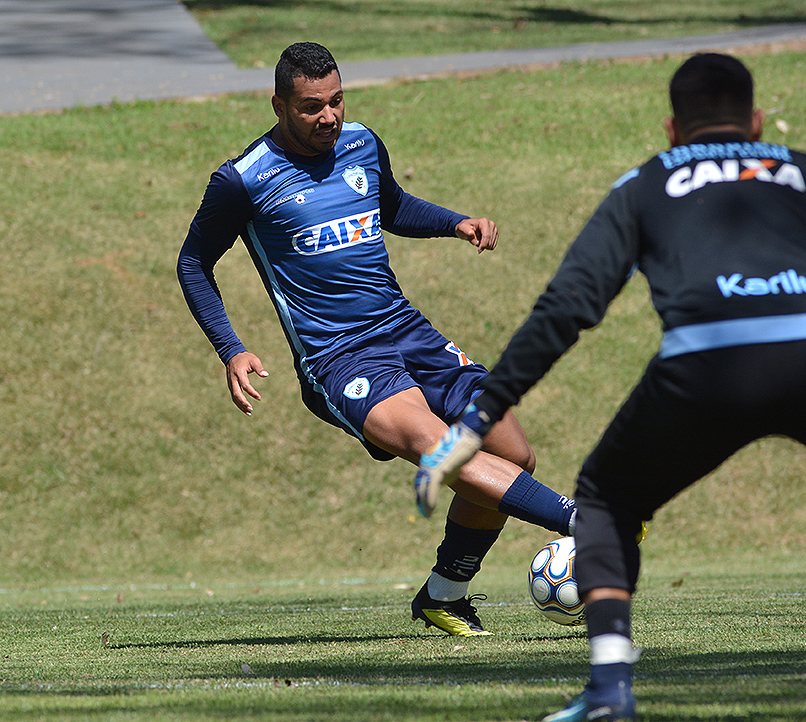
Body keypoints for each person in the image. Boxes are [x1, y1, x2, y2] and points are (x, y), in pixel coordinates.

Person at [416, 52, 806, 721]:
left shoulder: (647, 182)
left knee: (606, 499)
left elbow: (567, 309)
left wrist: (480, 418)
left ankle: (610, 688)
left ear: (672, 129)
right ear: (757, 121)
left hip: (710, 363)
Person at [176, 41, 576, 638]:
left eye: (336, 101)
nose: (329, 117)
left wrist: (454, 222)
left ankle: (444, 595)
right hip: (338, 357)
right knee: (440, 446)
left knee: (513, 452)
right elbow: (192, 263)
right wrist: (230, 348)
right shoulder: (243, 179)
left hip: (407, 330)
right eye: (311, 107)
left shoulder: (361, 143)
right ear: (279, 106)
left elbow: (391, 206)